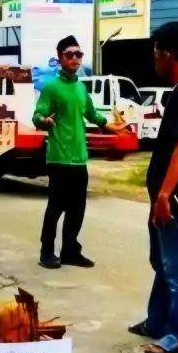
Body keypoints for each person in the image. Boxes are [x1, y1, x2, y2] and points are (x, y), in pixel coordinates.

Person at [129, 21, 178, 353]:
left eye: (156, 53)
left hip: (174, 196)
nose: (155, 60)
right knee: (162, 261)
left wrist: (163, 196)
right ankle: (157, 321)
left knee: (175, 264)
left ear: (169, 53)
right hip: (170, 193)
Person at [32, 36, 125, 270]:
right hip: (59, 157)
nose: (75, 59)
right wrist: (44, 121)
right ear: (60, 58)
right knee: (56, 207)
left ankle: (70, 250)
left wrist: (108, 125)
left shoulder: (81, 88)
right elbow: (37, 115)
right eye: (69, 54)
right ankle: (46, 252)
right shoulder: (51, 88)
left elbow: (91, 113)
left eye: (78, 54)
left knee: (77, 207)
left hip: (78, 157)